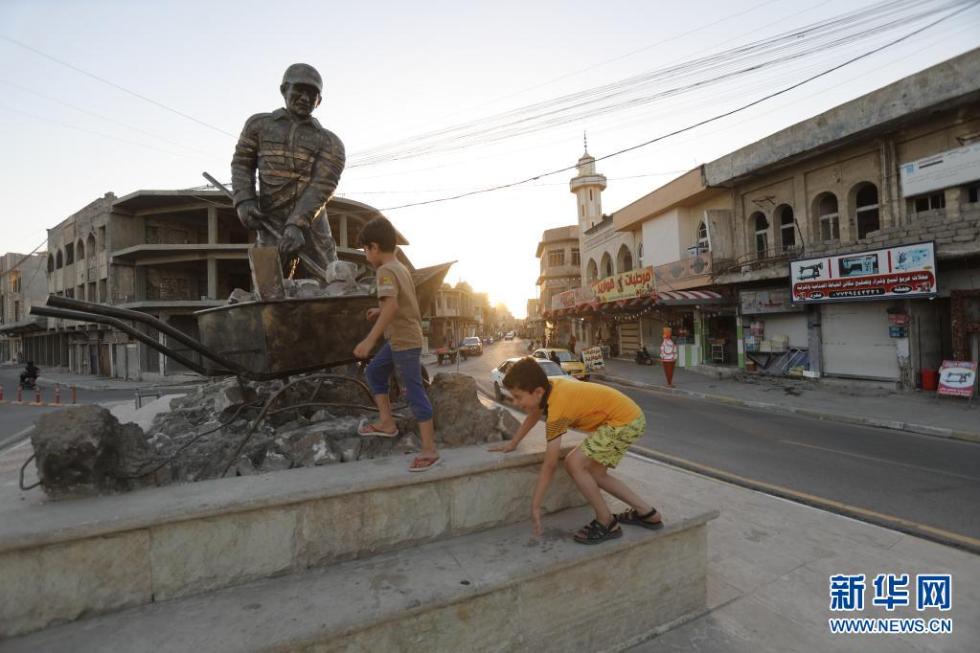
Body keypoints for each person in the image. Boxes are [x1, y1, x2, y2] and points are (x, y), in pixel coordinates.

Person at [490, 358, 663, 543]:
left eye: (518, 396)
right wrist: (513, 443)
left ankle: (606, 521)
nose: (515, 402)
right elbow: (534, 414)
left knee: (574, 463)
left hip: (624, 421)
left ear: (538, 391)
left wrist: (535, 505)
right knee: (597, 474)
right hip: (629, 418)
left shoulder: (557, 408)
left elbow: (550, 464)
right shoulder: (550, 388)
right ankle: (648, 514)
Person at [231, 63, 346, 280]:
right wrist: (244, 200)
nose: (305, 97)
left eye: (312, 94)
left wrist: (297, 224)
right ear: (284, 89)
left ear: (319, 101)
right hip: (269, 216)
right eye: (299, 89)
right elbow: (242, 164)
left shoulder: (330, 142)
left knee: (330, 280)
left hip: (312, 220)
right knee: (268, 284)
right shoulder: (258, 125)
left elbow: (322, 186)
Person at [353, 216, 439, 472]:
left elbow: (391, 304)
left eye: (365, 250)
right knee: (375, 371)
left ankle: (429, 449)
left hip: (403, 340)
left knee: (413, 391)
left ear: (374, 247)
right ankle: (387, 423)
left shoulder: (385, 271)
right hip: (402, 337)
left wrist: (369, 341)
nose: (366, 255)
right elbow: (402, 303)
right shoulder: (400, 267)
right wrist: (378, 311)